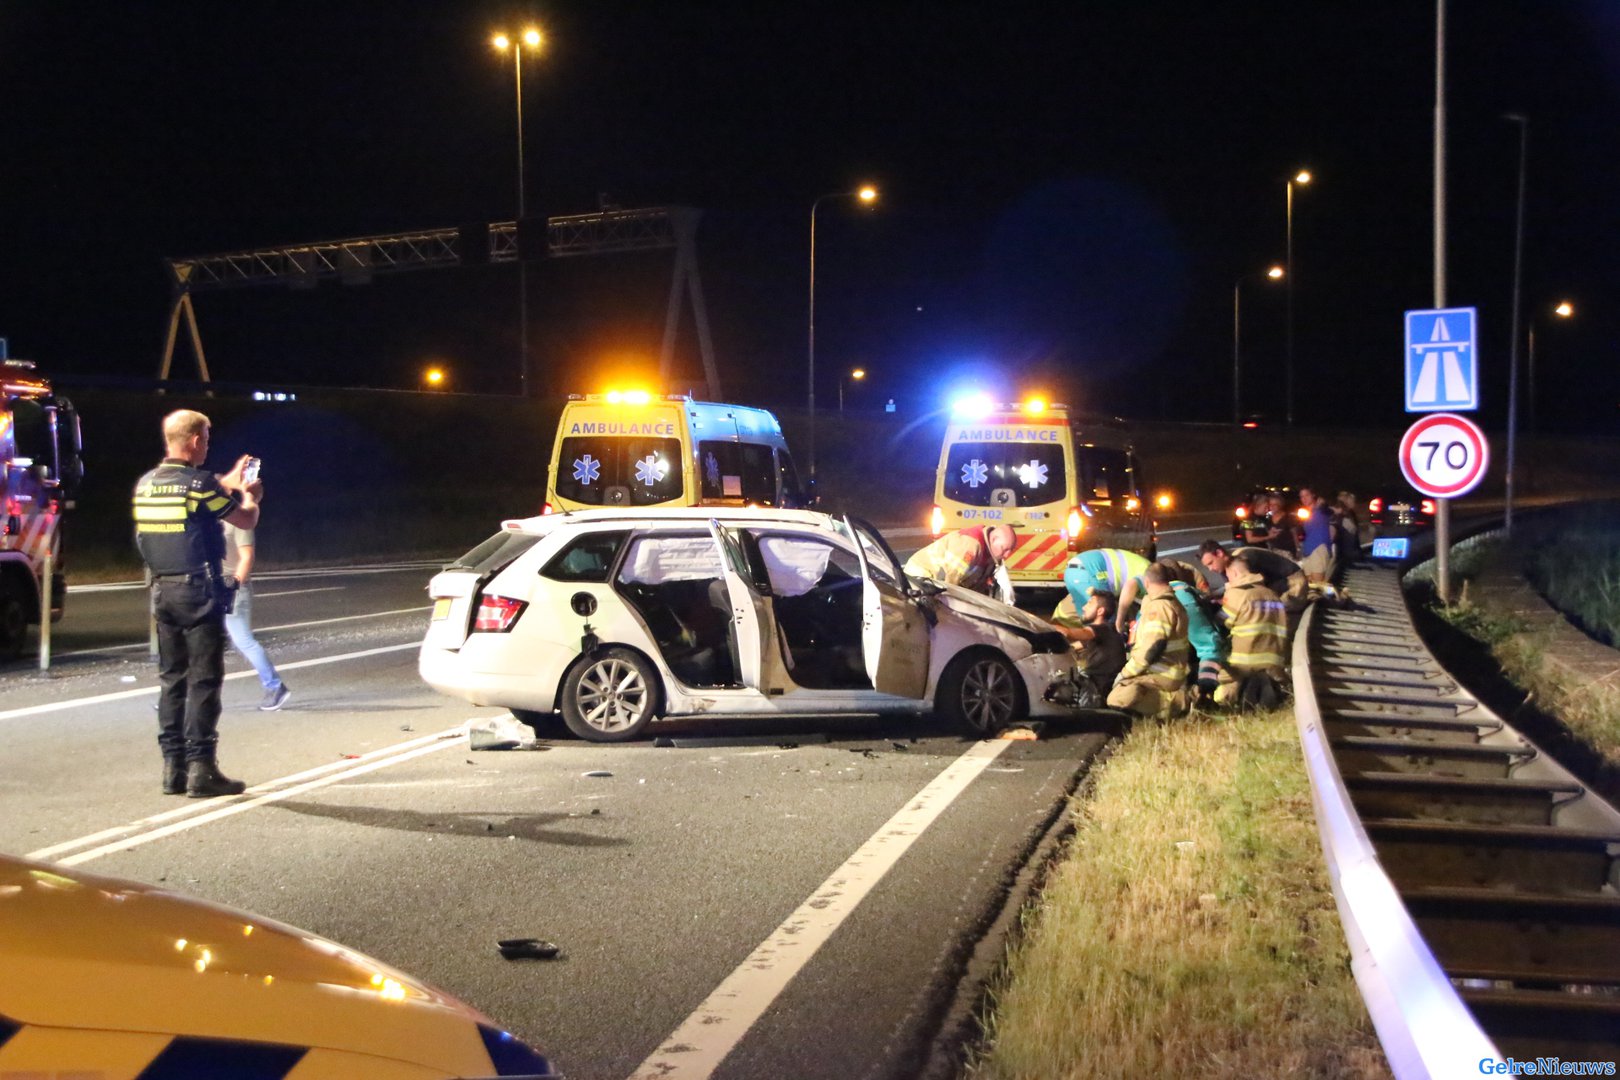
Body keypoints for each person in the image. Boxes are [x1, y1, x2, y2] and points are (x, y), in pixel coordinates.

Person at [133, 410, 260, 798]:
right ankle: (202, 770)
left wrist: (224, 482)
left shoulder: (146, 483)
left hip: (161, 591)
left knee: (172, 680)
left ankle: (173, 769)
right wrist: (249, 496)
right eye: (205, 437)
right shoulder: (200, 483)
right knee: (204, 680)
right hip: (198, 591)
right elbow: (242, 520)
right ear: (192, 440)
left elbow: (188, 494)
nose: (207, 444)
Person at [1105, 562, 1190, 718]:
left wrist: (1125, 674)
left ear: (1146, 582)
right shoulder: (1173, 602)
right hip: (1172, 671)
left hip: (1164, 674)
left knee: (1116, 698)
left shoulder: (1158, 608)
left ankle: (1179, 702)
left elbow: (1151, 649)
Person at [224, 521, 291, 711]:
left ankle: (275, 686)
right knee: (197, 640)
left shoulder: (238, 520)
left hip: (229, 586)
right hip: (205, 586)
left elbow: (247, 557)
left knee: (243, 640)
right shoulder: (203, 517)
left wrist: (232, 587)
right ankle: (179, 695)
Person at [1212, 553, 1290, 708]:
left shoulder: (1237, 593)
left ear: (1234, 573)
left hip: (1245, 663)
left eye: (1229, 576)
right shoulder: (1272, 594)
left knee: (1217, 686)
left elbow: (1221, 622)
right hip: (1275, 663)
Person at [1047, 587, 1127, 705]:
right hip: (1097, 686)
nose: (1084, 607)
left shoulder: (1101, 629)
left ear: (1100, 611)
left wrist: (1040, 625)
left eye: (1089, 604)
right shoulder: (1107, 632)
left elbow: (1070, 633)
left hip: (1097, 690)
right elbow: (1072, 647)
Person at [903, 524, 1017, 596]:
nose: (1007, 555)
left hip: (933, 583)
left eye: (1010, 550)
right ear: (993, 539)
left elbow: (977, 590)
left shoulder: (991, 555)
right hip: (920, 577)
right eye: (1004, 549)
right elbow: (950, 581)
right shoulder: (970, 545)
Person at [1198, 540, 1310, 613]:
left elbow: (1250, 594)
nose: (1210, 569)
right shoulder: (1226, 564)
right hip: (1276, 583)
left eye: (1210, 563)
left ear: (1219, 553)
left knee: (1255, 611)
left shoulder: (1243, 560)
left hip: (1292, 586)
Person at [1165, 568, 1228, 700]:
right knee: (1209, 649)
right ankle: (1206, 689)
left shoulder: (1154, 596)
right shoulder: (1182, 586)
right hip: (1190, 612)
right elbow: (1204, 601)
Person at [1061, 547, 1150, 632]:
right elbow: (1130, 586)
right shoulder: (1152, 579)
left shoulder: (1147, 568)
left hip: (1074, 571)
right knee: (1106, 622)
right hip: (1091, 572)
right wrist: (1119, 622)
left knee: (1087, 621)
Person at [1296, 485, 1335, 584]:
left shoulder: (1321, 509)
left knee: (1318, 583)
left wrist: (1323, 504)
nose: (1304, 498)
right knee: (1308, 583)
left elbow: (1330, 511)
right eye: (1302, 496)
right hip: (1307, 549)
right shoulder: (1304, 512)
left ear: (1313, 495)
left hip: (1319, 547)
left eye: (1307, 495)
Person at [1334, 491, 1363, 562]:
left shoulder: (1350, 513)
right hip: (1347, 552)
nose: (1353, 502)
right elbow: (1352, 530)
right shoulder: (1342, 515)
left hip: (1350, 550)